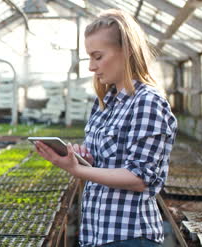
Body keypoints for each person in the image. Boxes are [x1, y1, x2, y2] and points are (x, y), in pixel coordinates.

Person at [34, 9, 177, 247]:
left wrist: (78, 171)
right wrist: (84, 158)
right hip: (97, 233)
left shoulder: (147, 102)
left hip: (130, 237)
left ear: (127, 51)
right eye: (89, 57)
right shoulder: (104, 102)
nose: (91, 66)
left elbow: (138, 177)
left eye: (98, 57)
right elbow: (108, 163)